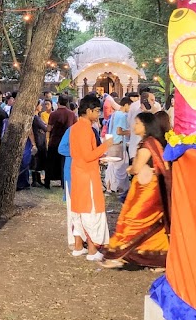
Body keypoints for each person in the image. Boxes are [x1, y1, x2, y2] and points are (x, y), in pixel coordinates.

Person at [102, 112, 172, 268]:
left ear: (146, 126)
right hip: (149, 188)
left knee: (133, 220)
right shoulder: (153, 142)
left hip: (147, 191)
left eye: (137, 123)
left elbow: (137, 168)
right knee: (152, 224)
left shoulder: (147, 145)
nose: (134, 126)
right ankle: (159, 259)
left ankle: (118, 253)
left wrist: (131, 169)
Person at [68, 94, 113, 261]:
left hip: (79, 173)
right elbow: (88, 156)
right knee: (91, 211)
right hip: (87, 175)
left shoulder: (75, 128)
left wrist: (98, 156)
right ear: (88, 111)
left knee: (79, 210)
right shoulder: (85, 129)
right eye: (96, 111)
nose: (99, 114)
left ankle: (79, 246)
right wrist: (105, 146)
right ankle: (93, 251)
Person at [46, 94, 75, 188]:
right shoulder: (71, 114)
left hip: (54, 140)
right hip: (67, 142)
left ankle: (47, 183)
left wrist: (47, 140)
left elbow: (49, 129)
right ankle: (64, 183)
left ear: (58, 102)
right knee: (64, 163)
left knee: (50, 163)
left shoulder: (53, 114)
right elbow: (75, 127)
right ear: (67, 103)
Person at [104, 95, 132, 193]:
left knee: (111, 166)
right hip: (118, 143)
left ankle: (110, 187)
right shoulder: (122, 116)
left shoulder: (115, 114)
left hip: (112, 142)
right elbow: (119, 131)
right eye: (130, 106)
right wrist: (130, 132)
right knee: (119, 167)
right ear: (126, 105)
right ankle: (117, 187)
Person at [30, 101, 48, 187]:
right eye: (40, 105)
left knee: (37, 161)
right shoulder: (36, 118)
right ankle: (35, 180)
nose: (41, 107)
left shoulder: (36, 117)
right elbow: (45, 128)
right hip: (39, 141)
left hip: (40, 140)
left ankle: (37, 179)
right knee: (37, 161)